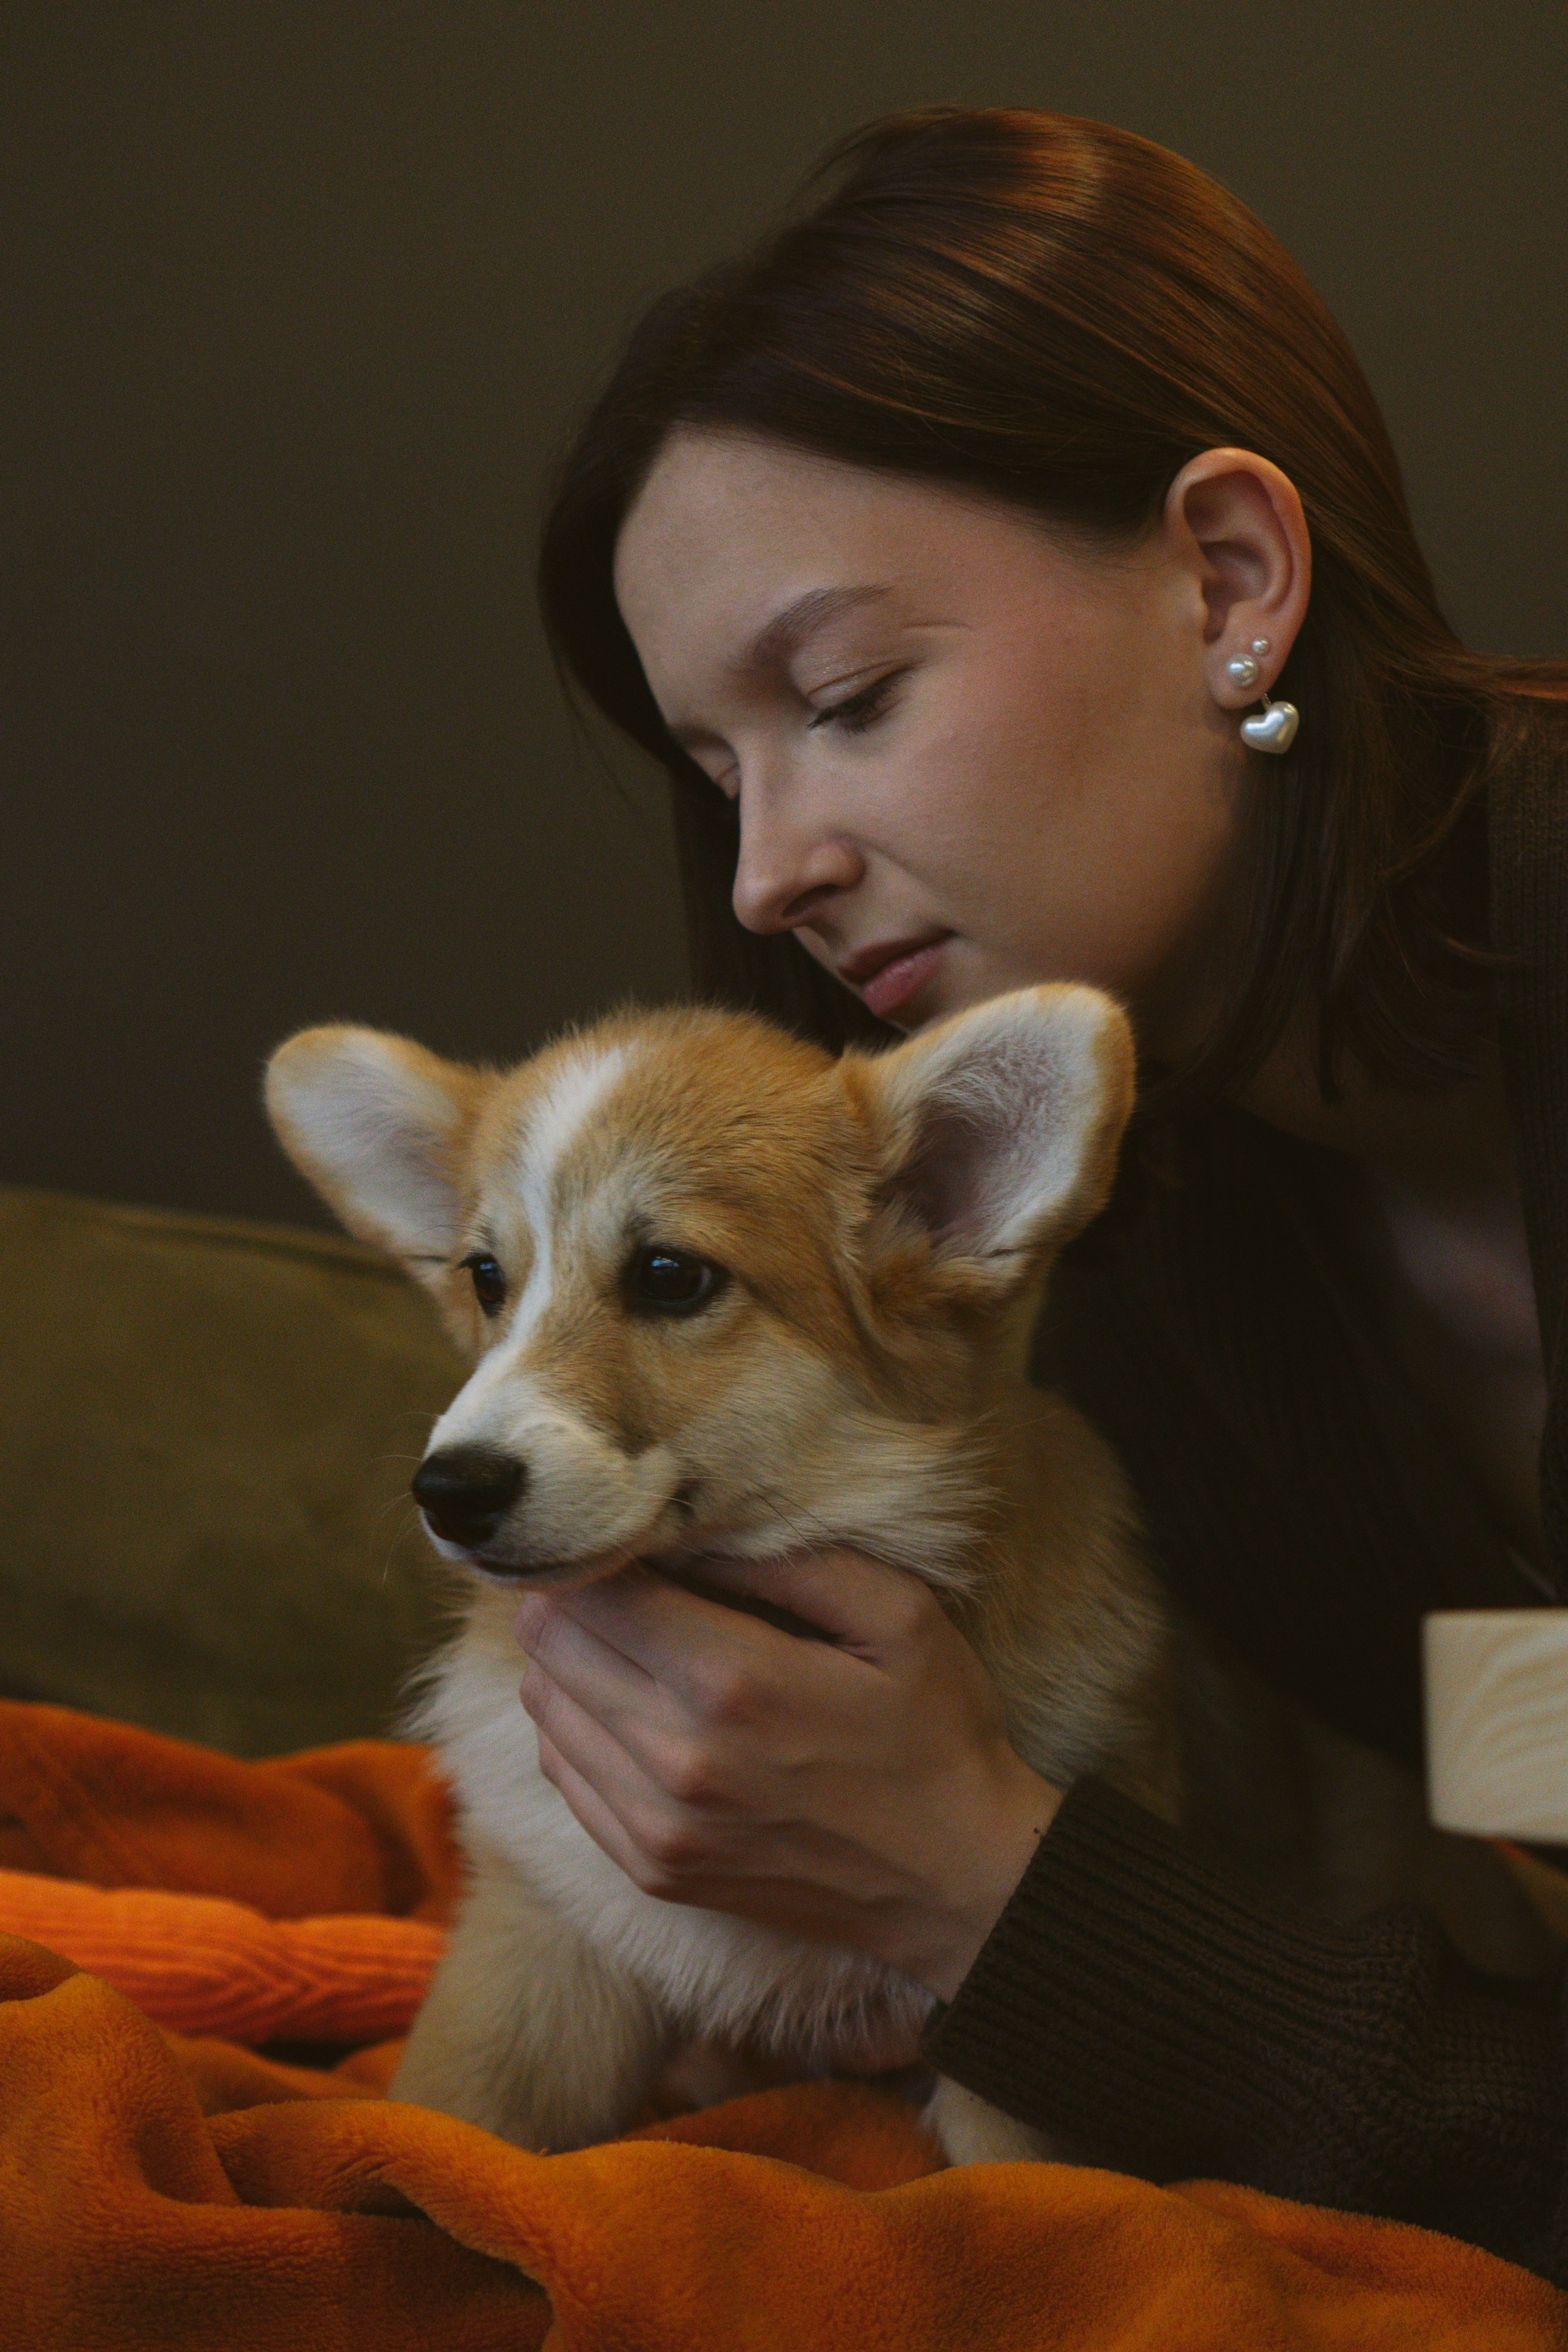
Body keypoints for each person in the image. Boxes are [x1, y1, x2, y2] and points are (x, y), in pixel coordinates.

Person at [524, 107, 1568, 2273]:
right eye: (717, 772)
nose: (764, 871)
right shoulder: (1148, 1268)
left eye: (847, 697)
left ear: (1231, 583)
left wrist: (990, 1883)